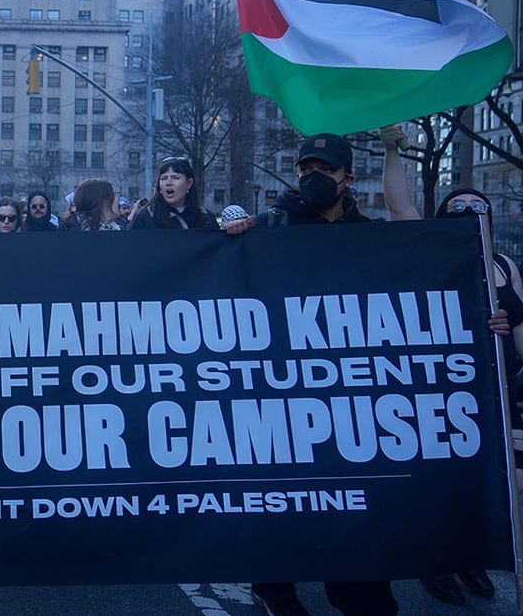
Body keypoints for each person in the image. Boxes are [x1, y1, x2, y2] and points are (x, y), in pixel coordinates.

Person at [247, 133, 397, 616]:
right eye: (304, 168)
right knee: (279, 487)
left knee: (351, 490)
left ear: (347, 178)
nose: (312, 177)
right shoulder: (269, 223)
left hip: (346, 385)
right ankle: (274, 584)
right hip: (279, 381)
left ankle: (361, 591)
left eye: (324, 170)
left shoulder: (367, 229)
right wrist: (231, 235)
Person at [380, 124, 513, 607]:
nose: (465, 214)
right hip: (440, 394)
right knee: (434, 480)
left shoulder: (503, 266)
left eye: (475, 209)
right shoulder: (428, 249)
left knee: (481, 484)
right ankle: (434, 561)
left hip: (493, 393)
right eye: (455, 209)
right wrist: (393, 147)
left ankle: (469, 555)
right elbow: (398, 204)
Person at [131, 157, 220, 230]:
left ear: (189, 183)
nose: (168, 182)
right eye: (164, 178)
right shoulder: (145, 217)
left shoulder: (206, 218)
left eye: (176, 178)